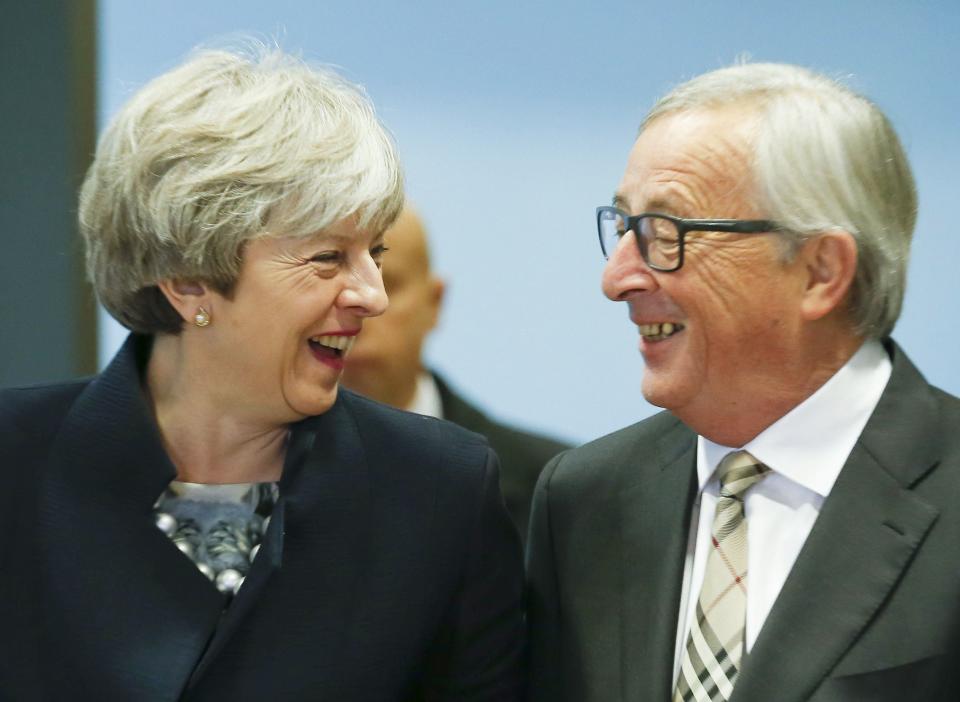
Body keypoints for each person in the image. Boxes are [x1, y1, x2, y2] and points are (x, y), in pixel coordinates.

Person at [0, 45, 524, 701]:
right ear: (190, 282)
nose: (373, 295)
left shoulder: (439, 490)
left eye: (376, 254)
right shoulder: (13, 463)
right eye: (329, 258)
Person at [526, 62, 960, 702]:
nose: (617, 279)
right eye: (624, 227)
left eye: (665, 234)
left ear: (820, 271)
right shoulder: (586, 498)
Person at [341, 206, 570, 542]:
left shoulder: (555, 489)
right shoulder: (255, 472)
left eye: (385, 283)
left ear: (435, 303)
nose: (360, 312)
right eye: (337, 287)